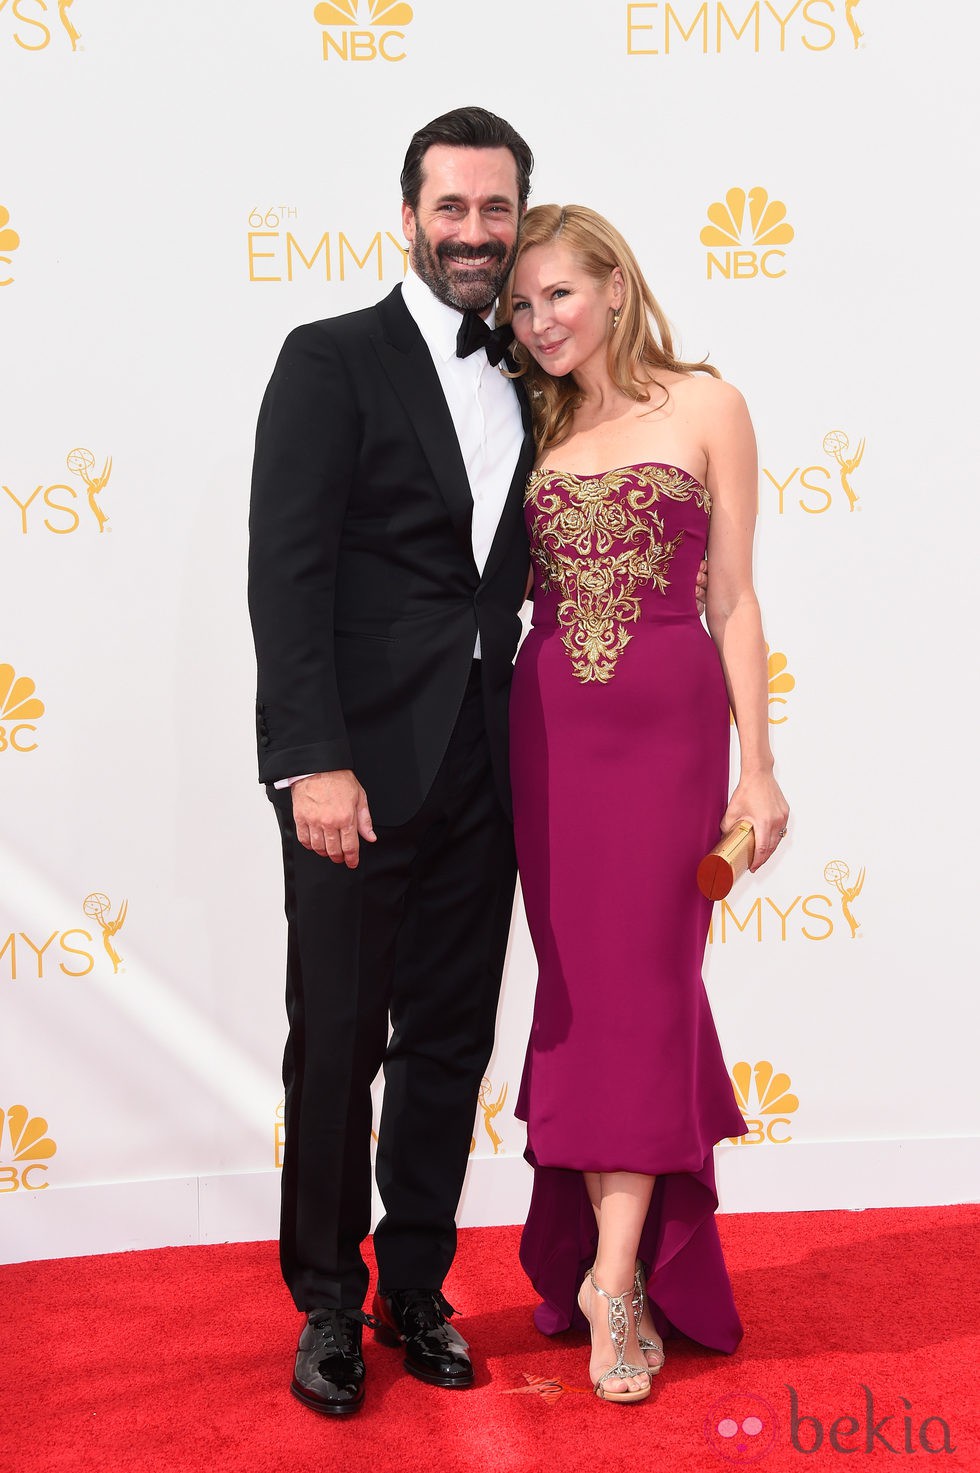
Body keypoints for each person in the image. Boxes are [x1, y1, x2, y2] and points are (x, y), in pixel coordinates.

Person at [247, 106, 537, 1416]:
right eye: (454, 207)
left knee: (451, 1039)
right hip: (356, 773)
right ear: (408, 213)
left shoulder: (541, 369)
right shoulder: (331, 360)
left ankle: (415, 1284)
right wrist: (312, 758)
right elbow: (289, 575)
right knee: (337, 1040)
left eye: (497, 210)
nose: (475, 233)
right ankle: (324, 1302)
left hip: (492, 757)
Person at [499, 205, 789, 1403]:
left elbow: (732, 599)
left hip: (671, 741)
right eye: (519, 307)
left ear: (613, 286)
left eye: (557, 295)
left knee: (653, 994)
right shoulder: (526, 423)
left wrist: (758, 767)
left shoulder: (706, 404)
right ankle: (602, 1260)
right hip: (551, 738)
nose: (537, 323)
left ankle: (610, 1277)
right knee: (579, 998)